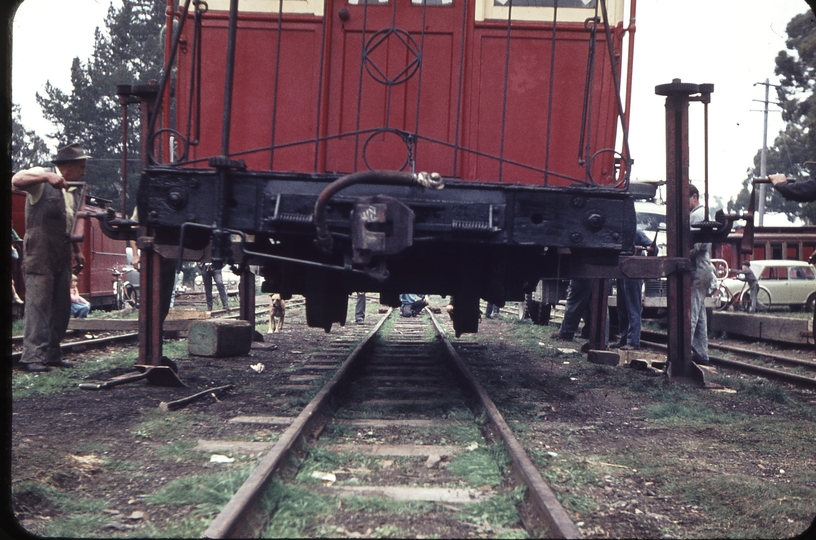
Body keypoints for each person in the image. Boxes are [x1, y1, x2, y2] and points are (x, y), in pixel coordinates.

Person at [11, 143, 90, 372]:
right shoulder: (40, 180)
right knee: (39, 304)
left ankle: (52, 354)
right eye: (80, 167)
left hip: (62, 251)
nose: (83, 171)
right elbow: (16, 180)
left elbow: (70, 223)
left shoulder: (72, 191)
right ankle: (32, 357)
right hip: (40, 251)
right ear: (66, 166)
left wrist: (77, 251)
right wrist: (46, 177)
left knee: (61, 306)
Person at [689, 184, 718, 366]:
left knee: (690, 312)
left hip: (698, 267)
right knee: (699, 314)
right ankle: (701, 353)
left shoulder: (696, 215)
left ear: (694, 197)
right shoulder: (703, 214)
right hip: (704, 267)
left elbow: (694, 246)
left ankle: (682, 354)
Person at [613, 228, 653, 350]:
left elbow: (652, 247)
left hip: (634, 274)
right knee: (622, 308)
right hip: (621, 273)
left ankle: (633, 341)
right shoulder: (619, 232)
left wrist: (648, 249)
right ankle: (624, 338)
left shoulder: (637, 233)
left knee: (633, 309)